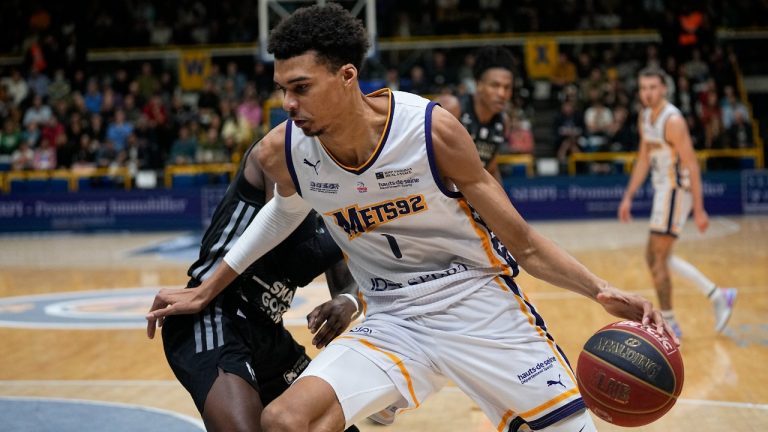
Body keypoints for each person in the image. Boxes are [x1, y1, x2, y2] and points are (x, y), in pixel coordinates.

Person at [147, 5, 673, 432]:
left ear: (347, 76)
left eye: (301, 87)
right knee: (286, 421)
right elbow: (283, 210)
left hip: (476, 306)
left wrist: (600, 291)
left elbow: (526, 245)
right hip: (393, 319)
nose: (287, 102)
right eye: (283, 88)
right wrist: (206, 289)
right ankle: (390, 392)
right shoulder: (291, 149)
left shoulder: (430, 131)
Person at [145, 141, 362, 432]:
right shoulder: (280, 151)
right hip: (217, 314)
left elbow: (343, 276)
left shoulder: (342, 190)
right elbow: (296, 246)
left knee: (330, 423)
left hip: (267, 327)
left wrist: (348, 300)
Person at [618, 67, 737, 338]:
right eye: (643, 88)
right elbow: (644, 159)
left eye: (653, 87)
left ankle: (670, 324)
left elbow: (693, 164)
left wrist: (699, 207)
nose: (647, 93)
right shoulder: (645, 117)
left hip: (676, 190)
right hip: (663, 190)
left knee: (656, 259)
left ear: (664, 89)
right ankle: (718, 295)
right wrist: (628, 196)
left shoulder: (673, 121)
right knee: (658, 257)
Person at [438, 46, 514, 183]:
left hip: (463, 197)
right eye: (495, 86)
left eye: (507, 87)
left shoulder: (503, 122)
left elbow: (490, 169)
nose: (502, 94)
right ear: (479, 84)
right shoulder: (452, 107)